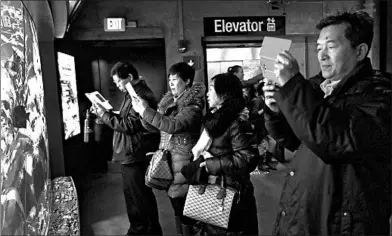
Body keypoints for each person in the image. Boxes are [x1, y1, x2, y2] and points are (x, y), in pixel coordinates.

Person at [263, 11, 391, 235]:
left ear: (360, 51)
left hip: (343, 225)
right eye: (318, 47)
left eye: (330, 47)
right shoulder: (317, 87)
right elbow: (296, 139)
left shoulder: (380, 94)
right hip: (303, 214)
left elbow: (337, 141)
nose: (321, 55)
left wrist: (293, 87)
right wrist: (275, 111)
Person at [131, 62, 205, 236]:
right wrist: (143, 113)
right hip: (170, 161)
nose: (171, 83)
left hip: (184, 163)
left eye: (175, 80)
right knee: (177, 208)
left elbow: (174, 125)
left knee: (187, 212)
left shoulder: (193, 106)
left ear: (187, 81)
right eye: (169, 80)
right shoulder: (169, 102)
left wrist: (146, 111)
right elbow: (157, 127)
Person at [181, 73, 259, 235]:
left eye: (211, 89)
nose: (207, 94)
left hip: (232, 195)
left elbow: (248, 158)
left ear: (225, 93)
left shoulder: (238, 121)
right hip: (212, 189)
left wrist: (211, 164)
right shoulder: (214, 120)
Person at [91, 61, 162, 236]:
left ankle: (147, 231)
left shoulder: (141, 95)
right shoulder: (133, 92)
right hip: (129, 153)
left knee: (140, 198)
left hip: (135, 153)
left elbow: (130, 125)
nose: (117, 85)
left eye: (118, 81)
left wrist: (103, 114)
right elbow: (126, 119)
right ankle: (138, 229)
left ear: (129, 77)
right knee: (133, 197)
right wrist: (107, 113)